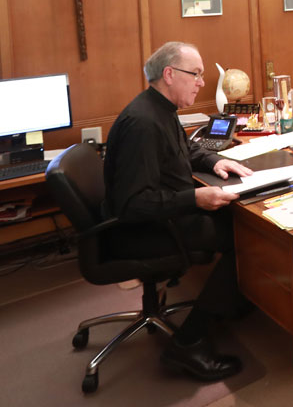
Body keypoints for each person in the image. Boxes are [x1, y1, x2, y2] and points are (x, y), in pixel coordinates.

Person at [103, 41, 255, 382]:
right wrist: (195, 200)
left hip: (166, 214)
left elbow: (187, 150)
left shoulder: (160, 110)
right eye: (196, 74)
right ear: (169, 75)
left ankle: (233, 300)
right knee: (246, 239)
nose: (201, 82)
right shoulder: (142, 124)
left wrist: (217, 160)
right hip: (144, 230)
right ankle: (188, 343)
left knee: (241, 221)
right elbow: (132, 204)